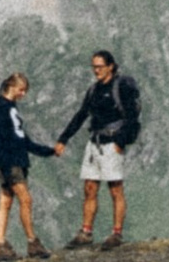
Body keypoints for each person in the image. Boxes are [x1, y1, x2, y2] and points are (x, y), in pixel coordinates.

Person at [55, 49, 142, 248]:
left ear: (110, 66)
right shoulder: (93, 90)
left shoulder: (121, 86)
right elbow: (81, 115)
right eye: (94, 67)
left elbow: (132, 116)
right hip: (94, 143)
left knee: (115, 189)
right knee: (90, 188)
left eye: (100, 67)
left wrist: (120, 142)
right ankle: (86, 232)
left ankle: (117, 234)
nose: (96, 71)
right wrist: (63, 139)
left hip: (112, 143)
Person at [0, 72, 63, 261]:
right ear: (12, 87)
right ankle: (32, 242)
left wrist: (48, 151)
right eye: (21, 90)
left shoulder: (8, 108)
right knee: (26, 200)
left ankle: (0, 244)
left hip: (8, 162)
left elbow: (22, 139)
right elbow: (7, 140)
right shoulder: (2, 110)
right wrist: (7, 164)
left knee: (6, 201)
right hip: (11, 162)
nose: (23, 94)